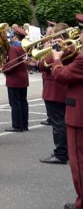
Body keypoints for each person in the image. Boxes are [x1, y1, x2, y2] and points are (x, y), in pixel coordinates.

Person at [51, 13, 83, 209]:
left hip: (78, 114)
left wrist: (56, 59)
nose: (79, 36)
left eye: (81, 32)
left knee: (78, 160)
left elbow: (62, 75)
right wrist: (68, 49)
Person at [37, 23, 70, 165]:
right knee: (63, 122)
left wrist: (46, 49)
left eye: (53, 35)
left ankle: (60, 153)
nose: (51, 38)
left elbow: (43, 65)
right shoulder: (71, 48)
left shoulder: (60, 48)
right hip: (64, 91)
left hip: (54, 91)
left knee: (58, 124)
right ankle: (66, 151)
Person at [2, 26, 29, 132]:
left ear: (15, 37)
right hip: (23, 78)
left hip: (14, 79)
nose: (11, 38)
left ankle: (17, 125)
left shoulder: (13, 48)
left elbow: (12, 64)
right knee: (23, 102)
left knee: (15, 103)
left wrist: (3, 68)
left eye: (13, 36)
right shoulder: (23, 47)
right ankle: (24, 125)